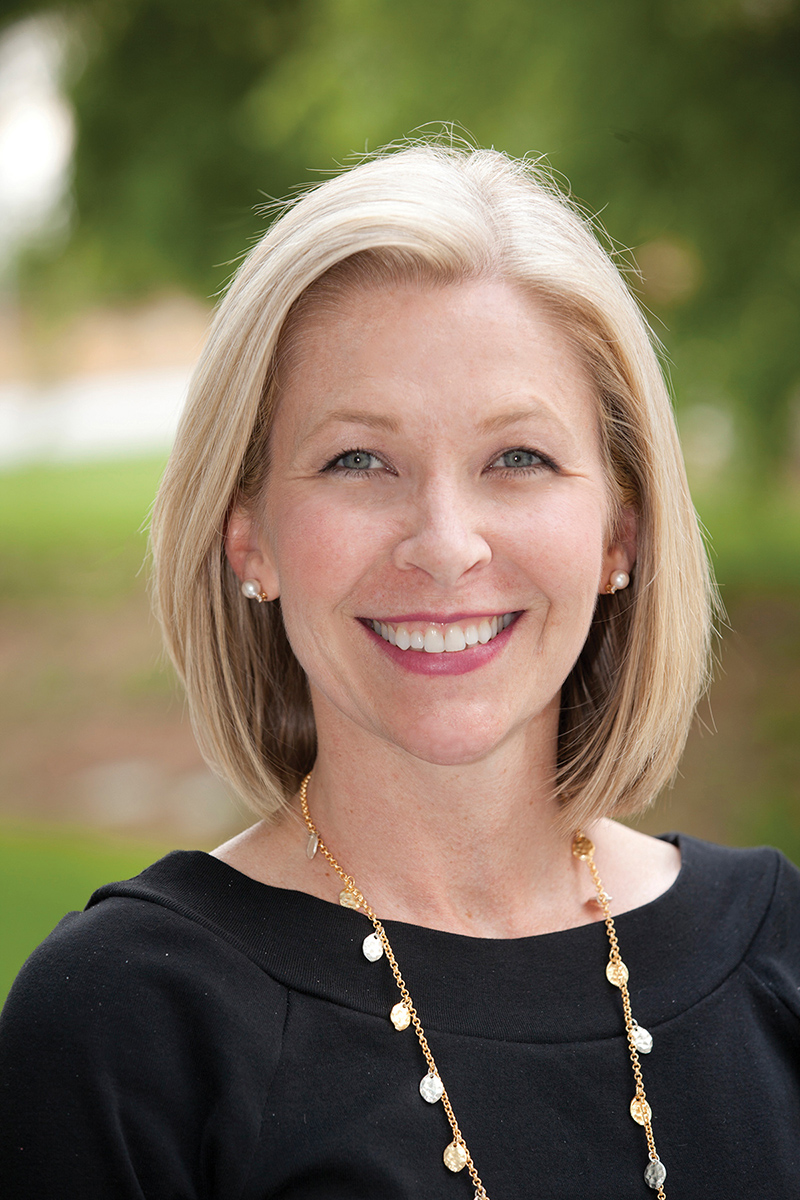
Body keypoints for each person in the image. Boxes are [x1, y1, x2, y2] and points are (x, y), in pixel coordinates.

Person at [1, 142, 799, 1200]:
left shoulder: (782, 959)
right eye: (357, 461)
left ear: (618, 529)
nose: (444, 543)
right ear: (249, 535)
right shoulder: (123, 1027)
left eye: (516, 457)